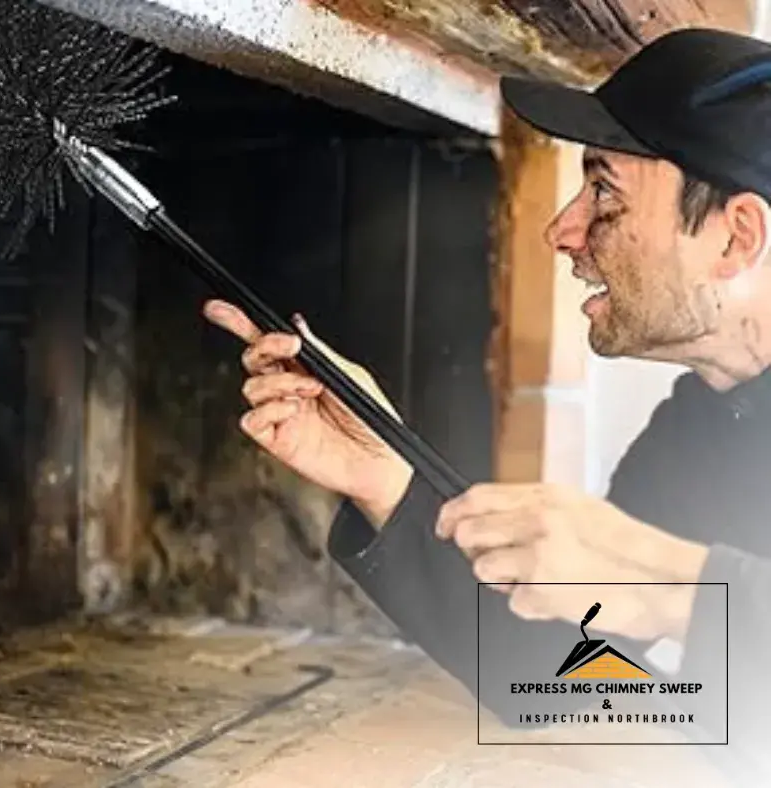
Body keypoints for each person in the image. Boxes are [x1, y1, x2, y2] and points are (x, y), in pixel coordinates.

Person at [204, 27, 771, 783]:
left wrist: (662, 580)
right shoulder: (695, 430)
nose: (561, 229)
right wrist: (386, 477)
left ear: (736, 238)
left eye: (605, 191)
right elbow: (586, 677)